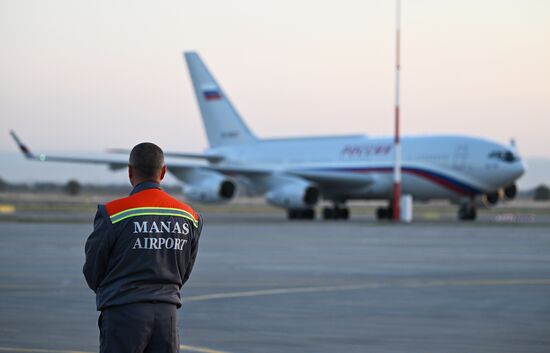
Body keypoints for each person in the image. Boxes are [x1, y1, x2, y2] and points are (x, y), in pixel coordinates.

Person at [83, 142, 202, 353]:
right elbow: (185, 268)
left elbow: (93, 268)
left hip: (122, 311)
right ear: (163, 172)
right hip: (167, 314)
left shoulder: (113, 213)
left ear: (130, 171)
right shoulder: (189, 216)